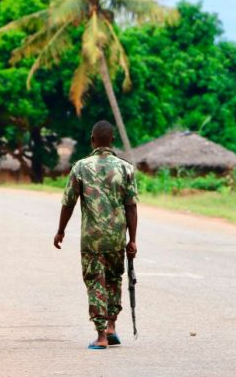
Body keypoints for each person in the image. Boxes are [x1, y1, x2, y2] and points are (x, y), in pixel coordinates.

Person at [55, 120, 139, 350]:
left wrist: (61, 230)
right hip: (116, 238)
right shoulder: (125, 168)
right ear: (112, 141)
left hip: (91, 239)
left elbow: (68, 203)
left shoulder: (81, 167)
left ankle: (101, 336)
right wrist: (132, 239)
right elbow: (131, 206)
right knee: (114, 280)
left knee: (95, 283)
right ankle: (111, 327)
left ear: (92, 140)